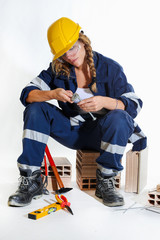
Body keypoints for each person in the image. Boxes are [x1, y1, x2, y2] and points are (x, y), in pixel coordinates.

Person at [8, 17, 147, 207]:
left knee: (120, 117)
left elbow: (135, 104)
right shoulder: (57, 69)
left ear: (83, 40)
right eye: (63, 53)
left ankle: (106, 181)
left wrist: (103, 102)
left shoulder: (110, 68)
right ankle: (31, 181)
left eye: (72, 48)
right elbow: (27, 94)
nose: (69, 56)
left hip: (102, 135)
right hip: (72, 132)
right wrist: (51, 94)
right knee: (35, 108)